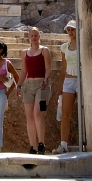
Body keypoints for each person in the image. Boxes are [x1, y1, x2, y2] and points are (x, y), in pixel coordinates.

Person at [16, 27, 52, 154]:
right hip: (28, 85)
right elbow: (24, 71)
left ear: (39, 36)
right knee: (29, 116)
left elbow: (48, 68)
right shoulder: (24, 52)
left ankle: (41, 143)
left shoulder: (44, 50)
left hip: (41, 85)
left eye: (36, 35)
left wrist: (46, 79)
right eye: (32, 35)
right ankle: (33, 146)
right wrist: (19, 85)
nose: (34, 37)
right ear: (29, 37)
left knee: (37, 113)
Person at [54, 20, 79, 154]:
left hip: (81, 80)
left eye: (73, 29)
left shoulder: (83, 45)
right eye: (68, 30)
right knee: (65, 114)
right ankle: (63, 144)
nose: (70, 32)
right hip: (69, 81)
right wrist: (60, 84)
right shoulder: (64, 47)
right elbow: (63, 67)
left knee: (84, 112)